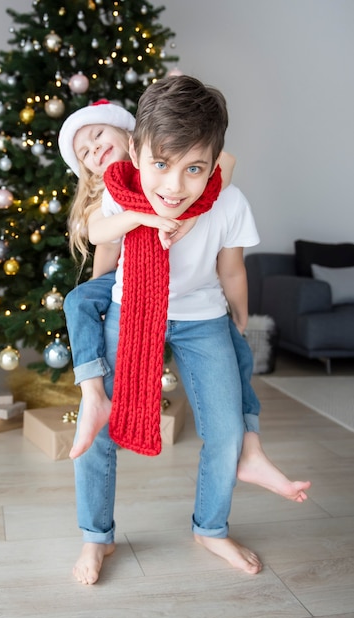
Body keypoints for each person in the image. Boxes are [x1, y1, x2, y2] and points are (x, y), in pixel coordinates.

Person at [59, 75, 311, 583]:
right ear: (135, 152)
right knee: (100, 432)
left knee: (226, 433)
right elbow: (95, 229)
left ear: (214, 164)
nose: (174, 186)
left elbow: (232, 268)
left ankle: (211, 528)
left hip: (203, 319)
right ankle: (95, 537)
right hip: (133, 312)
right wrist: (139, 218)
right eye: (160, 165)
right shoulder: (125, 193)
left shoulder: (227, 202)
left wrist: (240, 313)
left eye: (194, 169)